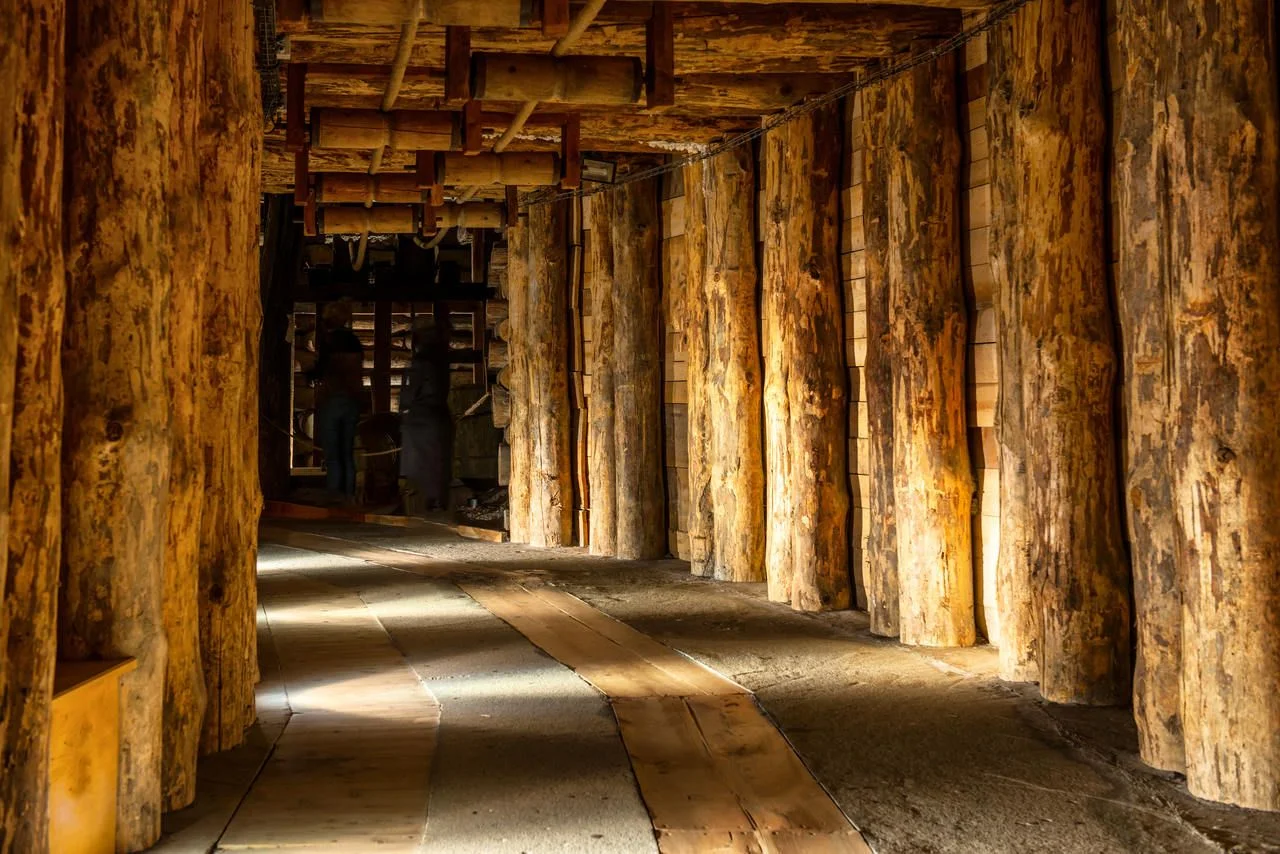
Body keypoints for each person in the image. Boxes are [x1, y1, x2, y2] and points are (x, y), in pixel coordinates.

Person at [400, 314, 454, 512]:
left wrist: (404, 409)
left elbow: (411, 391)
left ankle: (427, 500)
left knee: (423, 459)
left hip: (422, 417)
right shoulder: (441, 360)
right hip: (439, 413)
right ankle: (438, 500)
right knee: (438, 458)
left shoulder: (421, 362)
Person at [311, 300, 364, 502]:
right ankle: (349, 494)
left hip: (333, 399)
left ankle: (335, 495)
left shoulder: (329, 341)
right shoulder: (354, 341)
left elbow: (322, 369)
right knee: (347, 450)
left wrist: (311, 374)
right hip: (352, 400)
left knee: (332, 452)